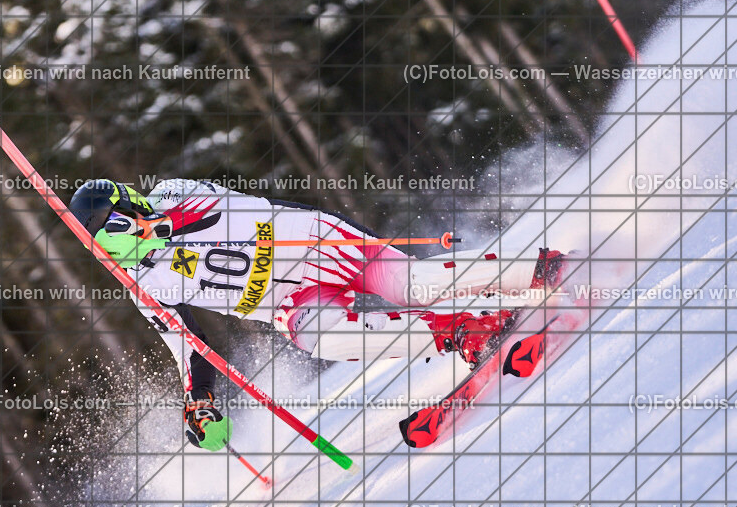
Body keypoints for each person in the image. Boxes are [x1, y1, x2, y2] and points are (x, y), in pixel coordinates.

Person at [69, 179, 564, 452]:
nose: (119, 242)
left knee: (415, 286)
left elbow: (221, 211)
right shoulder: (145, 286)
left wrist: (165, 228)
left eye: (117, 224)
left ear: (130, 204)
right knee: (323, 336)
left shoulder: (172, 195)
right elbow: (187, 344)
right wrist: (198, 401)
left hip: (318, 242)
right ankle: (465, 330)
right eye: (104, 241)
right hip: (290, 300)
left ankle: (535, 269)